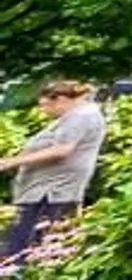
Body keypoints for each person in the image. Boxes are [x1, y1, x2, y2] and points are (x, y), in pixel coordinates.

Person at [4, 81, 104, 259]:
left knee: (27, 248)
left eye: (45, 106)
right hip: (43, 192)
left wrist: (13, 162)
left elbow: (62, 150)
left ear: (61, 99)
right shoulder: (73, 117)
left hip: (53, 192)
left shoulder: (80, 117)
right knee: (24, 245)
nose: (44, 111)